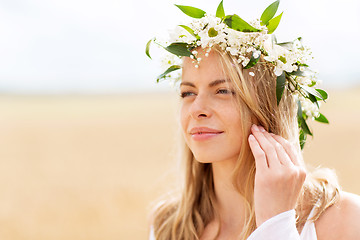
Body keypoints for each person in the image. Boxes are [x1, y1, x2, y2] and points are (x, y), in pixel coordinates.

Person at [146, 1, 360, 239]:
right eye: (188, 92)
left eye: (223, 91)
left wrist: (277, 225)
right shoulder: (169, 226)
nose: (197, 109)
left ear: (267, 106)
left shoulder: (345, 219)